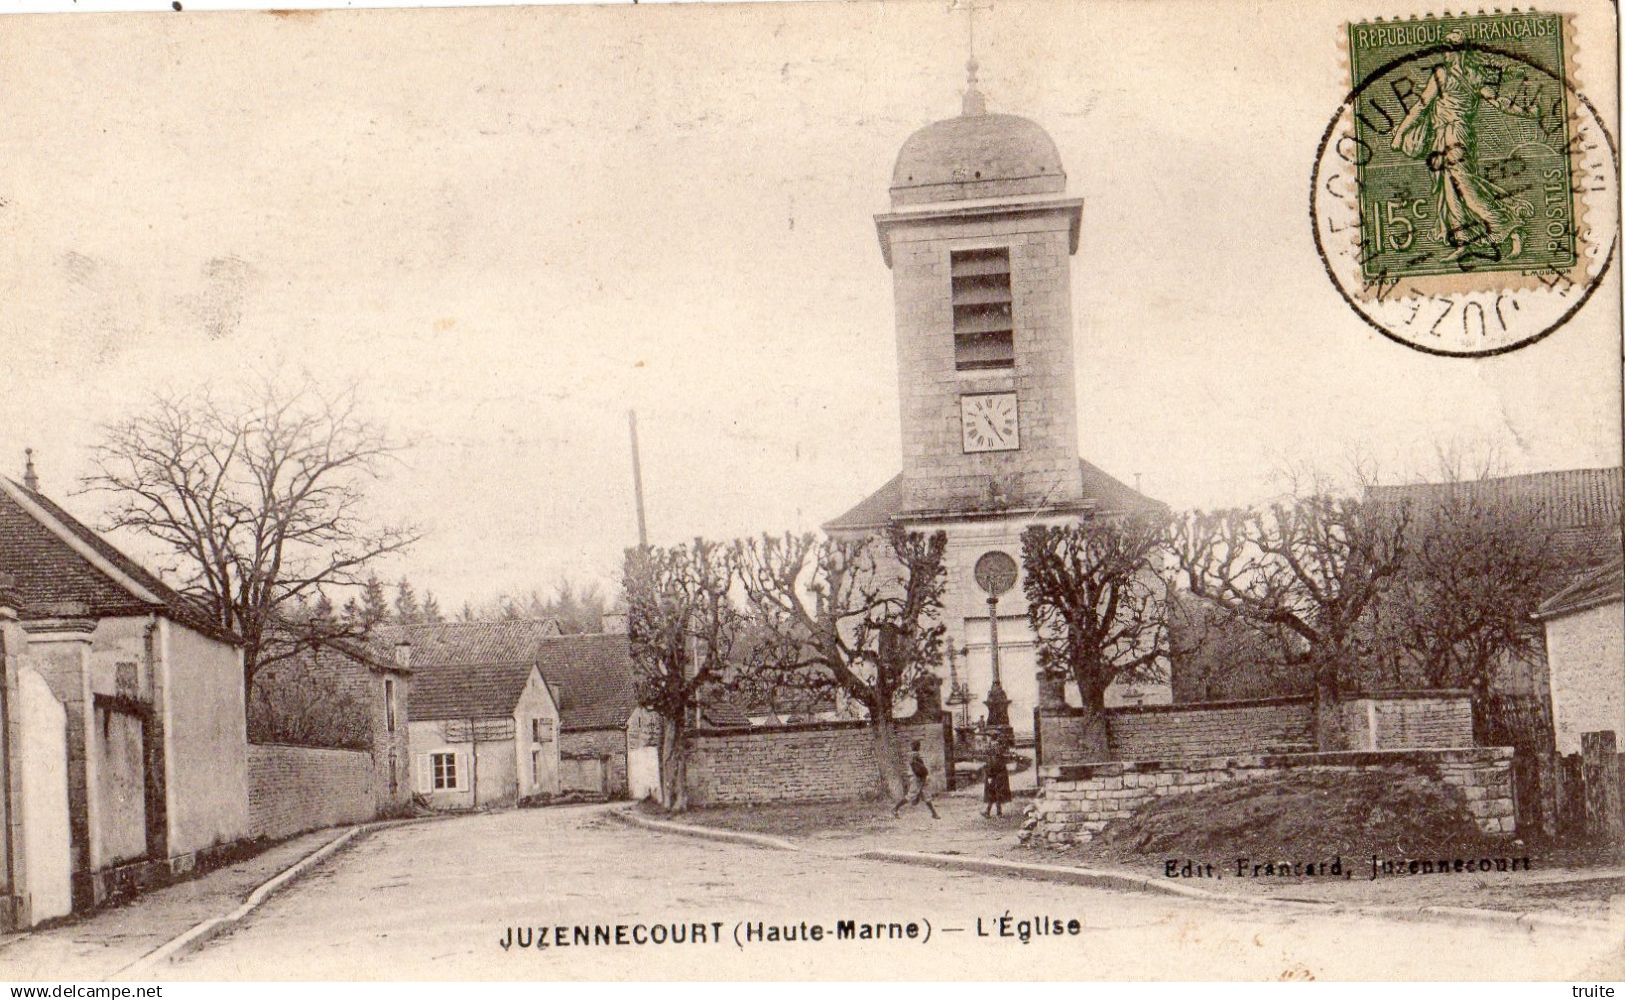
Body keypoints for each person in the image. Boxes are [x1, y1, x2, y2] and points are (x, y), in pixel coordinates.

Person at [1390, 29, 1537, 263]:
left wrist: (1400, 133)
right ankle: (1463, 241)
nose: (1447, 53)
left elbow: (1421, 106)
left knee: (1465, 188)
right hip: (1453, 135)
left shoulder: (1444, 74)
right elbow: (1498, 101)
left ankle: (1507, 225)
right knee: (1451, 190)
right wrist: (1525, 111)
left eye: (1449, 48)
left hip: (1453, 135)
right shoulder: (1473, 75)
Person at [893, 741, 939, 819]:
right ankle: (895, 809)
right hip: (917, 778)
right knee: (911, 796)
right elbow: (917, 768)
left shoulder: (914, 755)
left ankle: (934, 813)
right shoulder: (914, 755)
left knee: (926, 795)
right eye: (917, 746)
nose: (918, 747)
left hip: (920, 778)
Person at [981, 738, 1012, 817]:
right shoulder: (999, 754)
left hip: (996, 775)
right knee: (996, 793)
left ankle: (994, 812)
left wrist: (990, 775)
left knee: (994, 793)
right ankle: (993, 812)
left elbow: (993, 766)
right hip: (1000, 775)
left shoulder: (995, 756)